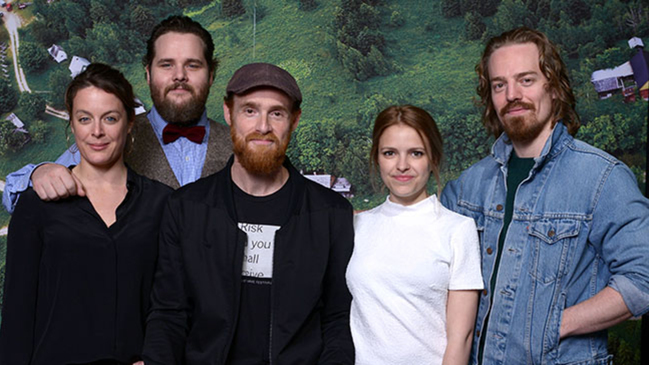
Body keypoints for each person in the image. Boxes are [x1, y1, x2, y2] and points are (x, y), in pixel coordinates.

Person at [440, 27, 649, 364]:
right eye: (499, 85)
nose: (511, 95)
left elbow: (643, 279)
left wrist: (552, 326)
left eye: (526, 80)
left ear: (553, 88)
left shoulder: (603, 179)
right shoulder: (469, 186)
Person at [142, 63, 355, 364]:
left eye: (277, 113)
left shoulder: (332, 215)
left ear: (295, 120)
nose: (263, 127)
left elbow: (338, 319)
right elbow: (168, 314)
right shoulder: (186, 208)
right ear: (229, 113)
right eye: (250, 111)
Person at [0, 64, 172, 365]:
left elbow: (174, 303)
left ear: (130, 122)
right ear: (72, 123)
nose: (96, 131)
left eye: (110, 118)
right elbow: (17, 313)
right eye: (84, 118)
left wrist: (158, 358)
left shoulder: (163, 204)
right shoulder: (36, 205)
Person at [2, 15, 231, 212]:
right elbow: (14, 199)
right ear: (148, 74)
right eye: (166, 65)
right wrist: (38, 173)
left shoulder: (240, 146)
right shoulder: (113, 135)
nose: (179, 75)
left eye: (192, 65)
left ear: (211, 75)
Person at [346, 105, 483, 365]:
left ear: (433, 158)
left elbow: (461, 338)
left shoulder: (457, 229)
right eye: (390, 153)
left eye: (416, 153)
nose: (402, 166)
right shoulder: (357, 226)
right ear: (377, 158)